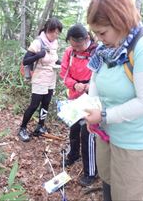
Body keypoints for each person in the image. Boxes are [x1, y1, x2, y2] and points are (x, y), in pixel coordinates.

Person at [84, 0, 143, 200]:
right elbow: (95, 78)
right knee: (109, 185)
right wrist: (92, 108)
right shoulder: (106, 48)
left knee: (130, 194)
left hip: (138, 142)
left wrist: (104, 115)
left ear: (120, 22)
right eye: (96, 32)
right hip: (108, 134)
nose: (98, 38)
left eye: (102, 32)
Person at [59, 24, 98, 187]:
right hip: (75, 95)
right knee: (74, 128)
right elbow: (63, 74)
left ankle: (91, 171)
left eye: (79, 45)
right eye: (73, 45)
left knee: (87, 133)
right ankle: (74, 154)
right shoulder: (69, 52)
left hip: (91, 98)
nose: (75, 48)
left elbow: (103, 76)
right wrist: (74, 85)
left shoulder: (96, 52)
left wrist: (92, 86)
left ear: (87, 39)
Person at [18, 17, 63, 142]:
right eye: (56, 32)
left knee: (46, 103)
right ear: (49, 30)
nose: (57, 35)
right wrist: (38, 55)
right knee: (34, 105)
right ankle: (22, 128)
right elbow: (25, 60)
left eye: (58, 33)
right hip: (39, 78)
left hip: (51, 78)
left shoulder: (55, 44)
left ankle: (40, 126)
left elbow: (54, 59)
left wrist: (62, 63)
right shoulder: (38, 42)